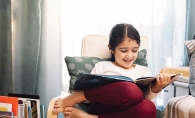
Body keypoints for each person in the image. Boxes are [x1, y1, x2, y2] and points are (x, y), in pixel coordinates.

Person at [52, 23, 178, 118]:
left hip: (125, 114)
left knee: (149, 107)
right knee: (131, 90)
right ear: (111, 48)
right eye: (123, 51)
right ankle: (73, 98)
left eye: (134, 50)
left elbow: (144, 99)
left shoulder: (143, 71)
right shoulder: (102, 66)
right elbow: (90, 98)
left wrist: (157, 87)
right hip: (101, 107)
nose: (129, 56)